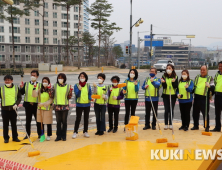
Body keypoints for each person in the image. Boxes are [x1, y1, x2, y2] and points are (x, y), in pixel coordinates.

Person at [192, 65, 215, 132]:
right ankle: (196, 125)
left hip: (204, 98)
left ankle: (206, 126)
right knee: (195, 113)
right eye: (201, 70)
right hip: (196, 97)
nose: (202, 71)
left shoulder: (210, 78)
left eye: (204, 70)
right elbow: (195, 86)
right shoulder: (197, 77)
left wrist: (209, 86)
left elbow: (213, 88)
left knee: (205, 113)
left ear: (207, 70)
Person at [20, 70, 41, 139]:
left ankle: (40, 134)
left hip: (36, 106)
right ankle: (27, 134)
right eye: (31, 75)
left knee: (38, 121)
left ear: (37, 76)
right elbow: (22, 93)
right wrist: (21, 87)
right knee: (28, 121)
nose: (33, 77)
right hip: (28, 105)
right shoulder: (26, 84)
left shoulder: (39, 85)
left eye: (34, 75)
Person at [0, 75, 22, 143]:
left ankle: (15, 137)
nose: (7, 81)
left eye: (8, 80)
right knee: (5, 125)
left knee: (14, 124)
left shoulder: (16, 88)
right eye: (6, 80)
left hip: (13, 109)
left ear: (12, 81)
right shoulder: (2, 88)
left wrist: (16, 104)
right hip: (5, 109)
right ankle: (6, 138)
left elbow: (19, 97)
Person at [51, 73, 72, 141]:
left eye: (62, 78)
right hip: (57, 106)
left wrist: (71, 91)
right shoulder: (54, 86)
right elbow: (51, 95)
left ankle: (64, 136)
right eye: (59, 77)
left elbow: (69, 96)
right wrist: (49, 89)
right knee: (58, 122)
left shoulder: (68, 86)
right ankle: (58, 136)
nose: (60, 79)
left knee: (64, 122)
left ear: (64, 79)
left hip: (65, 106)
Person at [73, 72, 92, 139]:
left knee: (86, 119)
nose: (82, 78)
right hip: (79, 104)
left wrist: (91, 98)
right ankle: (75, 132)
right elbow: (77, 95)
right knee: (78, 118)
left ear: (86, 78)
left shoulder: (88, 85)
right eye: (81, 76)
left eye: (83, 76)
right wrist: (79, 90)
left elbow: (89, 94)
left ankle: (85, 131)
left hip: (87, 104)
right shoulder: (76, 85)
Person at [161, 64, 178, 130]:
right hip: (165, 95)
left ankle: (170, 123)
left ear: (172, 69)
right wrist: (163, 82)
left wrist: (173, 82)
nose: (168, 69)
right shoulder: (164, 76)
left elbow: (176, 86)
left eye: (170, 68)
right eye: (167, 68)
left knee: (171, 109)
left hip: (172, 95)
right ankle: (166, 124)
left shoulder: (175, 76)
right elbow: (164, 86)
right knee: (166, 110)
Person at [211, 61, 222, 132]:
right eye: (219, 66)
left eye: (221, 66)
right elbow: (214, 83)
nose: (220, 68)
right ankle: (217, 127)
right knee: (217, 113)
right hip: (217, 95)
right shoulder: (217, 74)